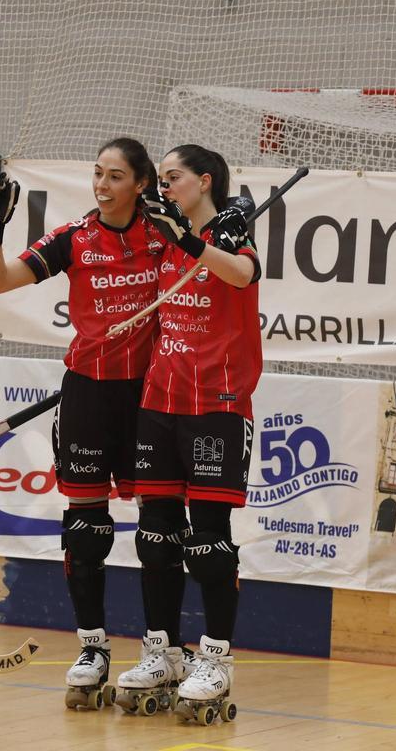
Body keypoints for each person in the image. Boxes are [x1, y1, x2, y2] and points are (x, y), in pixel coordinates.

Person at [0, 138, 164, 707]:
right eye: (98, 175)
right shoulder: (75, 238)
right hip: (86, 392)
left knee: (161, 525)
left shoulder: (164, 236)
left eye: (115, 177)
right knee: (85, 527)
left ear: (140, 184)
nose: (102, 186)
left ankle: (163, 649)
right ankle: (93, 646)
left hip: (150, 395)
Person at [116, 144, 260, 721]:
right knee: (155, 535)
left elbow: (244, 274)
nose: (164, 187)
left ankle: (216, 659)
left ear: (205, 182)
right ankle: (163, 652)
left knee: (208, 538)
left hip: (216, 406)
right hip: (159, 402)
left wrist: (197, 239)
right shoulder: (163, 237)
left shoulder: (229, 242)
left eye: (174, 178)